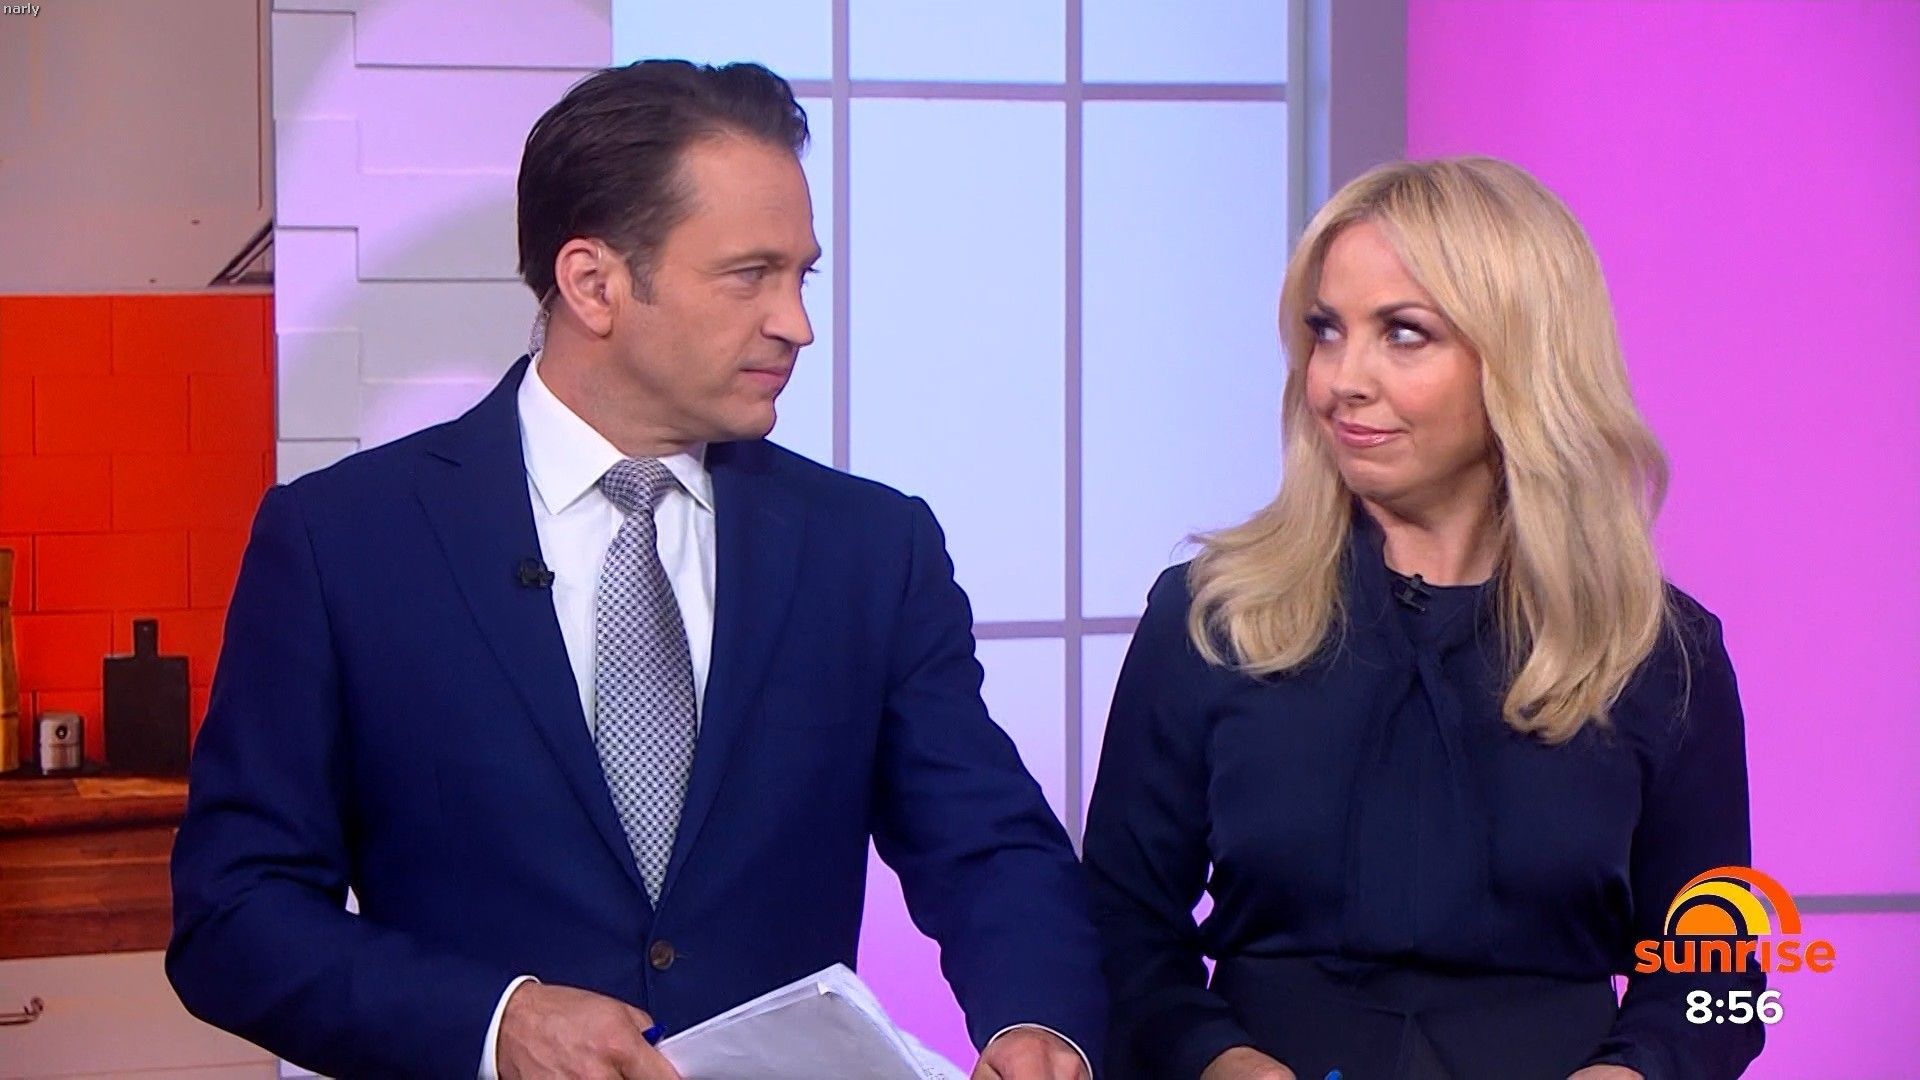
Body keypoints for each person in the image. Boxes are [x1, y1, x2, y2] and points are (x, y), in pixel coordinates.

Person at [168, 60, 1102, 1080]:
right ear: (593, 284)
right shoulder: (345, 542)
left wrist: (1037, 1023)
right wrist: (494, 1024)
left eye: (802, 276)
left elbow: (988, 844)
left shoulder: (871, 549)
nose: (796, 323)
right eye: (749, 275)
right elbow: (235, 913)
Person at [1082, 157, 1762, 1080]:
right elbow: (1119, 926)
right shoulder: (1211, 617)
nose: (1341, 379)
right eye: (1326, 331)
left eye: (1404, 334)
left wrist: (1633, 1073)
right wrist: (1214, 1059)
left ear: (1522, 361)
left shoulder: (1660, 653)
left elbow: (1721, 984)